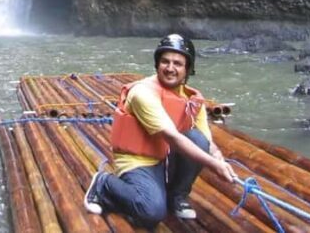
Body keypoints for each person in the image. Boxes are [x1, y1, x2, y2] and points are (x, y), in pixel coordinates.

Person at [83, 34, 237, 229]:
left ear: (188, 69)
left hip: (163, 159)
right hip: (137, 162)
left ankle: (176, 196)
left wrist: (219, 159)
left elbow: (206, 140)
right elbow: (171, 137)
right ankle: (104, 184)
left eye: (178, 64)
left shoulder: (191, 99)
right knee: (151, 212)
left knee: (198, 140)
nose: (170, 68)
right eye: (165, 61)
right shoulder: (143, 93)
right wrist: (214, 166)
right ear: (157, 64)